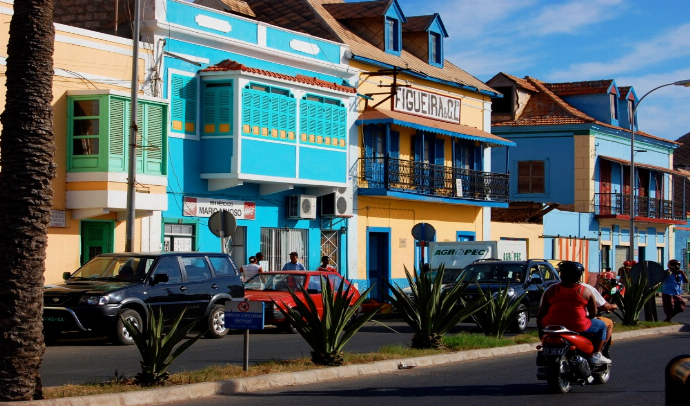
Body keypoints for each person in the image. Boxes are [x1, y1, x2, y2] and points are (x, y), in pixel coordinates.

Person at [537, 261, 611, 365]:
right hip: (577, 326)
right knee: (602, 326)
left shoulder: (551, 290)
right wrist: (588, 317)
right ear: (579, 275)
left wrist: (540, 328)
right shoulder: (585, 291)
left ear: (562, 274)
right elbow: (593, 313)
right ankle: (596, 354)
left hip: (551, 325)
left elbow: (542, 311)